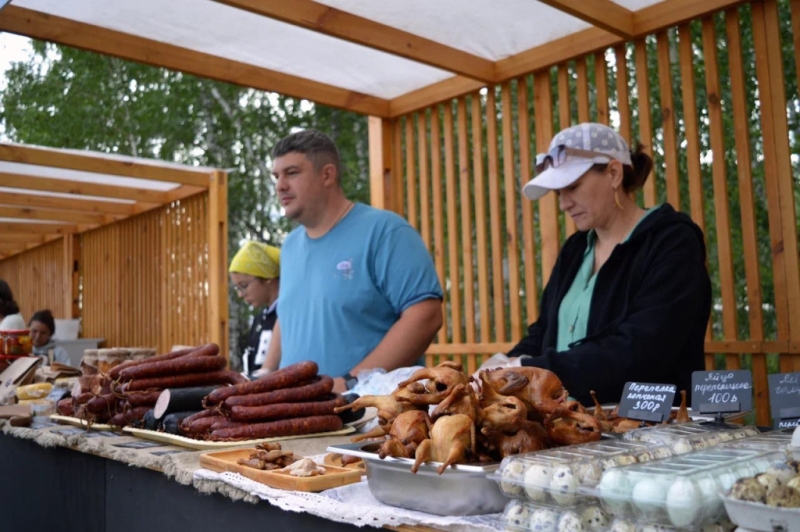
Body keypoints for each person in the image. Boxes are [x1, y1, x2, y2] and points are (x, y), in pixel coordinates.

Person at [507, 122, 711, 406]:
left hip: (650, 430)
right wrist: (504, 366)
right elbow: (543, 332)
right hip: (569, 426)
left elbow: (642, 350)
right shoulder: (575, 249)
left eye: (573, 187)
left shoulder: (671, 242)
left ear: (614, 173)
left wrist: (530, 369)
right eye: (558, 192)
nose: (564, 203)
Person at [262, 129, 444, 393]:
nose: (280, 185)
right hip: (298, 416)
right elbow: (289, 316)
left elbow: (425, 315)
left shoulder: (385, 231)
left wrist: (352, 382)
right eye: (276, 176)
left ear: (327, 174)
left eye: (291, 173)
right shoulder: (289, 246)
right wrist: (267, 372)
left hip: (371, 419)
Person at [229, 241, 281, 377]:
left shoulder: (287, 315)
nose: (240, 294)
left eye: (244, 285)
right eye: (237, 288)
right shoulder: (259, 320)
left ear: (268, 277)